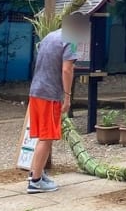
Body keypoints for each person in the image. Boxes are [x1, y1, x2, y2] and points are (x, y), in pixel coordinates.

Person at [25, 12, 83, 193]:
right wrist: (67, 95)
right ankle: (35, 181)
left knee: (43, 135)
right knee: (47, 137)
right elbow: (67, 69)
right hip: (50, 93)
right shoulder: (70, 40)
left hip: (36, 90)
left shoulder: (51, 36)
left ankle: (37, 173)